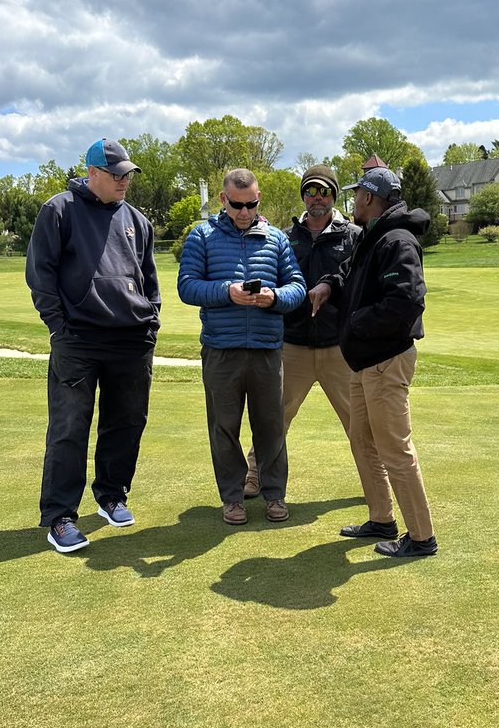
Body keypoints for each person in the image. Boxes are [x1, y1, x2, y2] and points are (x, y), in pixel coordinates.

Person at [25, 138, 160, 553]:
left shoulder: (137, 219)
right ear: (93, 173)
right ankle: (60, 517)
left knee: (127, 422)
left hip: (131, 338)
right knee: (69, 427)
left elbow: (149, 279)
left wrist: (151, 322)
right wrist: (58, 328)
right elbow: (40, 274)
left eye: (127, 175)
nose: (124, 181)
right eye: (116, 174)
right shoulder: (59, 210)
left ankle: (112, 496)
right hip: (79, 340)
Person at [310, 166, 438, 558]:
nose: (353, 201)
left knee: (394, 449)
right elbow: (350, 273)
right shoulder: (373, 236)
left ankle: (421, 537)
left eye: (356, 195)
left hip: (385, 359)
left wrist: (355, 322)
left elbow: (406, 302)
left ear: (368, 197)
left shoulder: (397, 240)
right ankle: (381, 518)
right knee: (362, 439)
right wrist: (329, 284)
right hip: (365, 361)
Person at [177, 169, 306, 525]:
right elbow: (187, 286)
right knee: (224, 428)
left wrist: (274, 297)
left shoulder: (276, 238)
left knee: (271, 427)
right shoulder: (202, 236)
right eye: (237, 205)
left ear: (258, 198)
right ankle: (232, 498)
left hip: (266, 349)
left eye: (251, 204)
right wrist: (226, 292)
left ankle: (274, 495)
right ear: (223, 199)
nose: (245, 212)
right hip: (221, 350)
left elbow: (297, 286)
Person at [244, 164, 360, 497]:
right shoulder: (285, 237)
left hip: (339, 347)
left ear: (334, 195)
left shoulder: (353, 236)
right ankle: (254, 474)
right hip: (293, 344)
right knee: (275, 418)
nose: (317, 197)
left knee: (358, 420)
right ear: (303, 196)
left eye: (324, 191)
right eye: (311, 191)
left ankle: (378, 480)